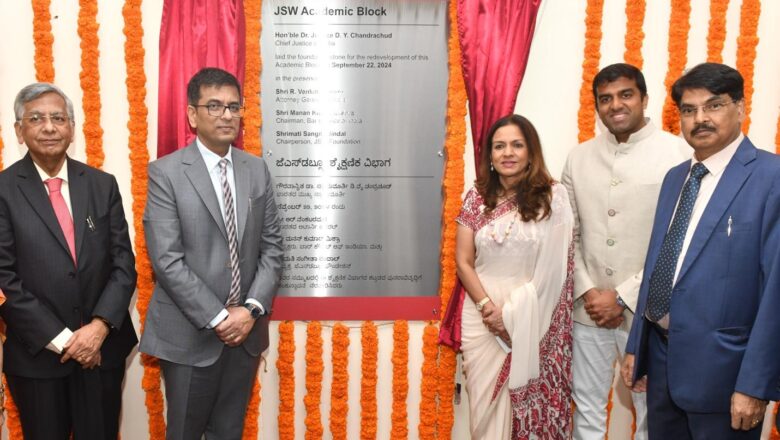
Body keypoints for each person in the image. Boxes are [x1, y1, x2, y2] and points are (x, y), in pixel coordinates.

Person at [622, 62, 780, 439]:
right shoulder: (676, 177)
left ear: (740, 108)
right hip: (662, 366)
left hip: (726, 376)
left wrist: (755, 384)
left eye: (714, 105)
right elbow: (659, 263)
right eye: (689, 110)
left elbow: (776, 291)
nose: (700, 119)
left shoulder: (770, 178)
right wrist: (636, 347)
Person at [140, 67, 283, 439]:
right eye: (215, 106)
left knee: (228, 432)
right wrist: (220, 317)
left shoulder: (257, 170)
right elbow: (167, 260)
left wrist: (250, 311)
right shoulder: (166, 173)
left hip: (246, 334)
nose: (226, 115)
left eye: (234, 107)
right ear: (192, 115)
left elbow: (272, 249)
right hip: (190, 335)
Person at [0, 83, 138, 439]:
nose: (49, 127)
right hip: (38, 358)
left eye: (58, 118)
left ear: (72, 127)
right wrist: (67, 342)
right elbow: (4, 279)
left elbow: (123, 263)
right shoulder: (3, 190)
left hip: (101, 352)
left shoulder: (101, 184)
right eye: (37, 118)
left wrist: (99, 328)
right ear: (19, 129)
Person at [561, 63, 687, 439]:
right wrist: (589, 290)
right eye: (606, 98)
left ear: (645, 99)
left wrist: (623, 295)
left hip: (649, 313)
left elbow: (676, 239)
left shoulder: (677, 153)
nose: (616, 105)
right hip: (588, 311)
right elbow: (569, 234)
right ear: (597, 106)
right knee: (586, 405)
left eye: (626, 95)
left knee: (651, 411)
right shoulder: (578, 157)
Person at [456, 114, 574, 439]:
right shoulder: (477, 197)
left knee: (521, 413)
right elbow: (463, 261)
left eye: (517, 145)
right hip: (480, 315)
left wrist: (514, 318)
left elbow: (554, 271)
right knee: (483, 411)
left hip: (533, 317)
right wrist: (487, 309)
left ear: (530, 152)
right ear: (490, 156)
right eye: (499, 146)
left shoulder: (553, 197)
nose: (508, 153)